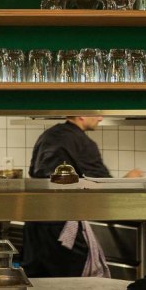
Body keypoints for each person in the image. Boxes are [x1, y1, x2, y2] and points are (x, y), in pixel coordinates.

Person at [22, 115, 112, 278]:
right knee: (71, 284)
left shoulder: (48, 135)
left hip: (34, 222)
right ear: (81, 115)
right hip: (61, 225)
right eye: (97, 112)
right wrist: (129, 179)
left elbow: (33, 172)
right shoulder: (83, 142)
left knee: (37, 283)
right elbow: (103, 184)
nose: (100, 118)